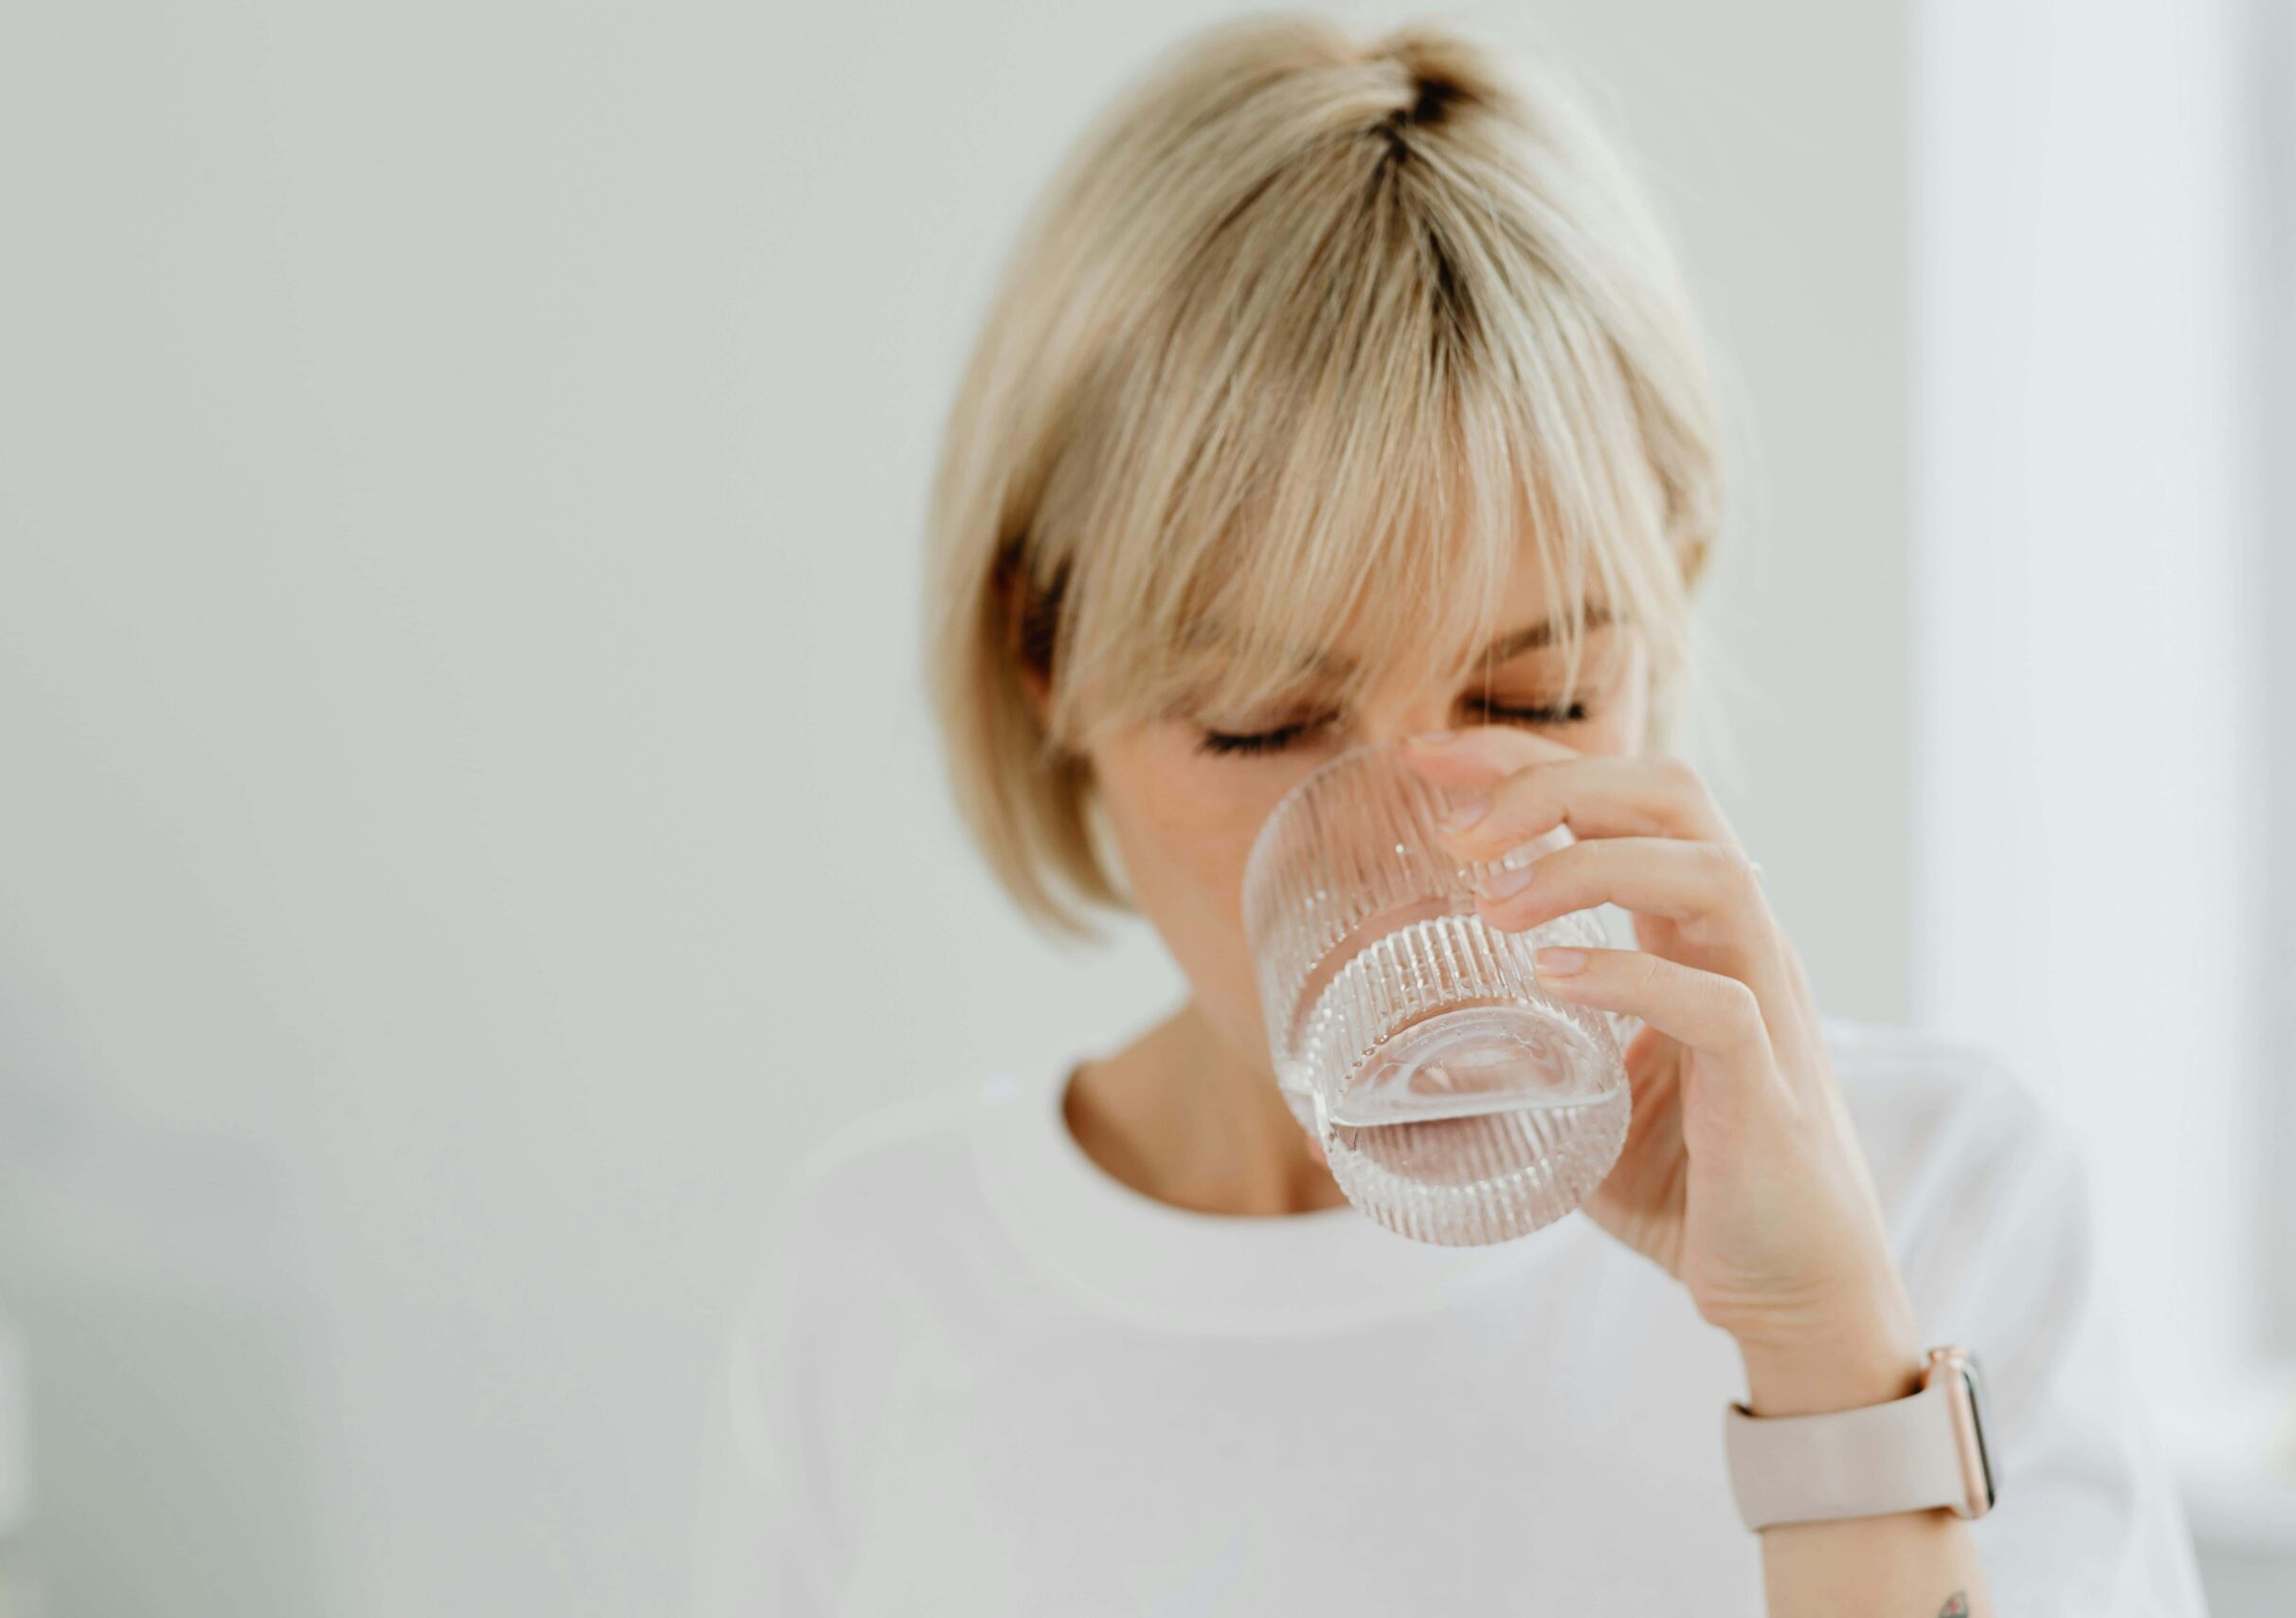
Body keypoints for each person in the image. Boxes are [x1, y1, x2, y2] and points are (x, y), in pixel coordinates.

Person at [690, 14, 2209, 1615]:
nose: (1437, 849)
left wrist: (1828, 1364)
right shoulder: (886, 1284)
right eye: (1263, 721)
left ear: (1664, 601)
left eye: (1537, 700)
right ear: (1042, 659)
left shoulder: (1940, 1203)